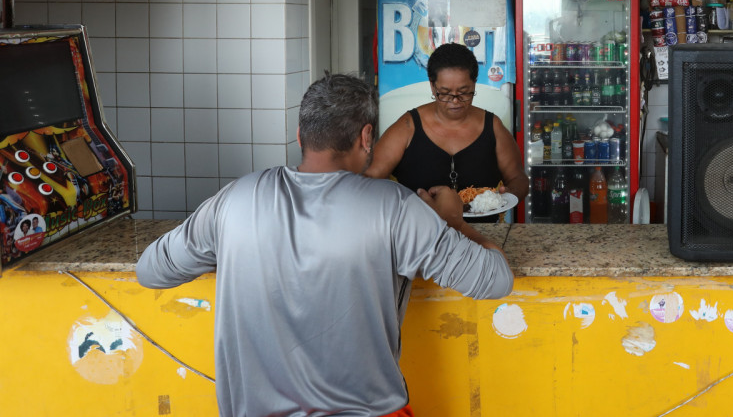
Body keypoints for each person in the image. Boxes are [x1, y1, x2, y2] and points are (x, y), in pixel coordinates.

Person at [136, 74, 513, 417]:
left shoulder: (234, 200)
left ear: (301, 136)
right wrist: (454, 223)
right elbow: (496, 280)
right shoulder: (395, 207)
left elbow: (151, 270)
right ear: (366, 137)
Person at [367, 43, 528, 204]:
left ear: (474, 83)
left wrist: (508, 194)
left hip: (481, 229)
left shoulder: (493, 126)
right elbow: (369, 180)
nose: (455, 101)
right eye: (445, 93)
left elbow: (518, 178)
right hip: (421, 227)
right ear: (432, 86)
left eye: (464, 92)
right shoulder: (408, 126)